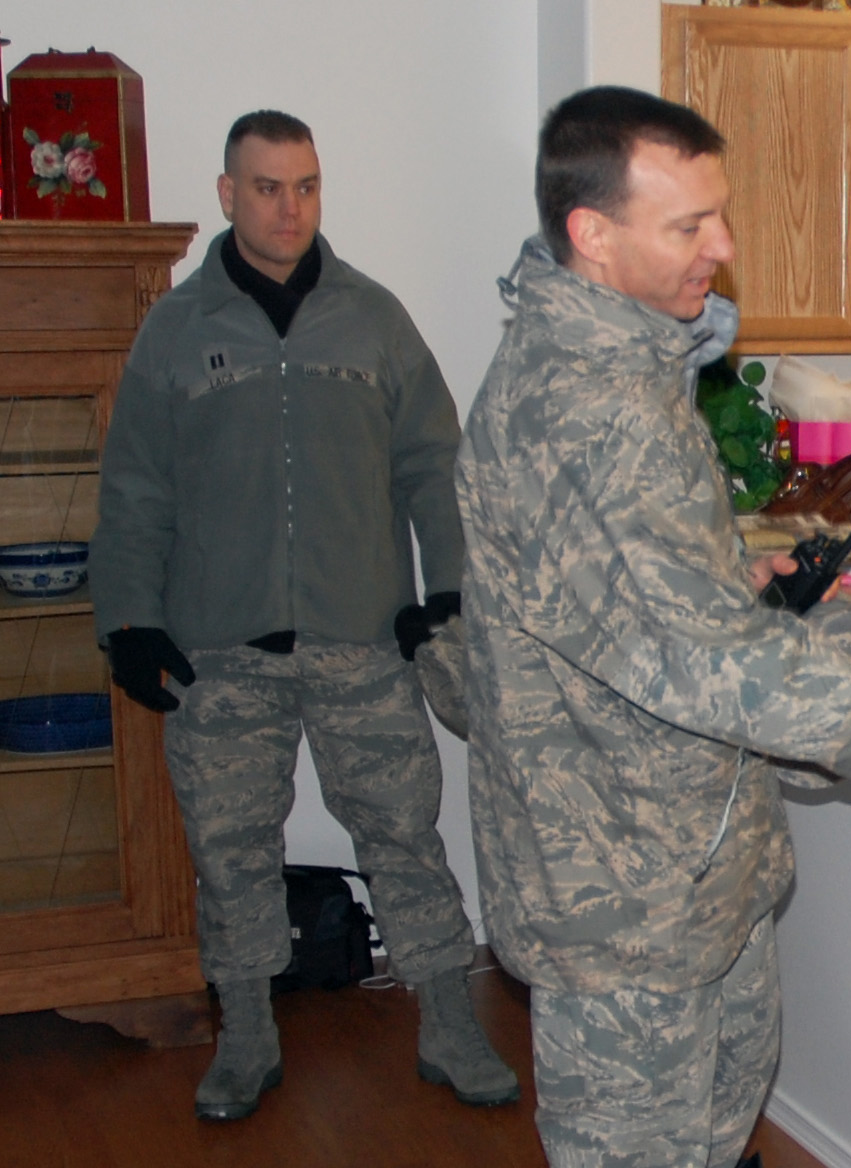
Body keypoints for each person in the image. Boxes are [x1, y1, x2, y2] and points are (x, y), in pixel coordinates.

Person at [456, 86, 851, 1168]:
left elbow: (628, 595)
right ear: (591, 237)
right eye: (688, 226)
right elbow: (712, 668)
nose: (723, 247)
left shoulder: (632, 370)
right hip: (626, 908)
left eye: (720, 214)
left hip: (688, 874)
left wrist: (725, 569)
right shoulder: (589, 411)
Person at [92, 110, 518, 1121]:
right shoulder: (175, 331)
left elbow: (432, 464)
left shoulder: (374, 319)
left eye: (308, 186)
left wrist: (445, 598)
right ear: (228, 193)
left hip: (361, 636)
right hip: (219, 650)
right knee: (230, 849)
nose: (290, 207)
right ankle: (246, 1031)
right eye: (269, 187)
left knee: (405, 835)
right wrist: (130, 621)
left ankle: (450, 1022)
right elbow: (136, 487)